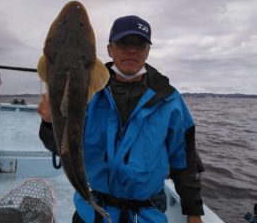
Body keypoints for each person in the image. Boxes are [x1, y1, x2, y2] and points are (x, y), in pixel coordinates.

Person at [37, 15, 205, 223]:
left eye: (139, 44)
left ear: (148, 51)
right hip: (91, 212)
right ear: (109, 50)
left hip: (147, 214)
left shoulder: (169, 100)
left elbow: (185, 162)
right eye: (124, 43)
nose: (131, 50)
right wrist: (49, 123)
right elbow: (61, 146)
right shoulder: (88, 94)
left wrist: (194, 213)